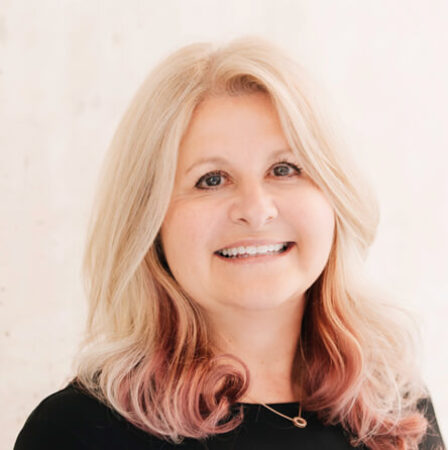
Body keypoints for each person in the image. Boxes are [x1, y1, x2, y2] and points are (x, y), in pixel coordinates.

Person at [14, 36, 445, 450]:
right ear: (149, 219)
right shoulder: (76, 432)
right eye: (212, 179)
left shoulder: (393, 408)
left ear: (335, 195)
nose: (256, 210)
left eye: (285, 169)